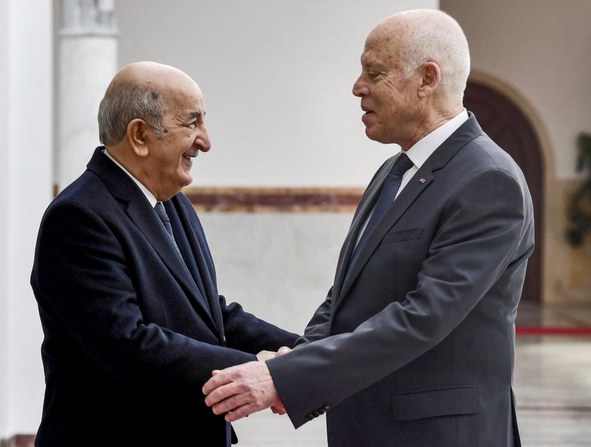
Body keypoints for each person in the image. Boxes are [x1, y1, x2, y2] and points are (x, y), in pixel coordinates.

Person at [203, 9, 533, 447]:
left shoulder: (488, 180)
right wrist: (303, 359)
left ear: (427, 78)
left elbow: (423, 317)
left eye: (374, 72)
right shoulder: (394, 171)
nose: (358, 87)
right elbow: (346, 297)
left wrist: (284, 377)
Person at [30, 61, 298, 447]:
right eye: (192, 123)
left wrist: (308, 355)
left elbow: (210, 315)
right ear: (139, 135)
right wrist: (262, 371)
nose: (205, 141)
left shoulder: (171, 202)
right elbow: (129, 345)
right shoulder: (78, 217)